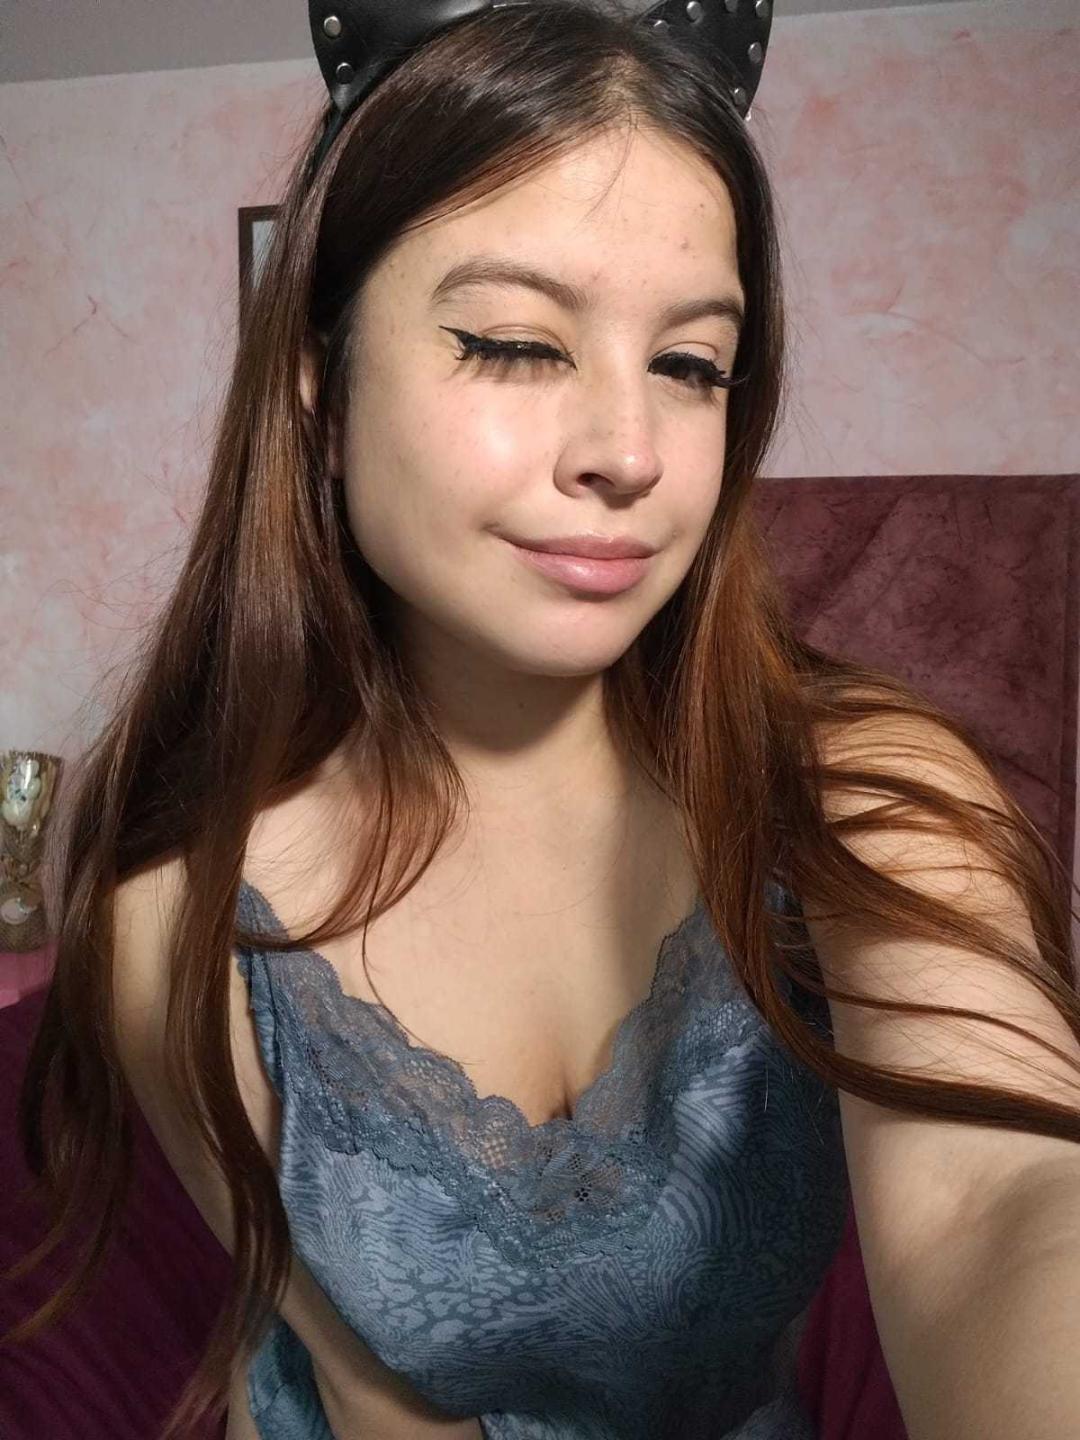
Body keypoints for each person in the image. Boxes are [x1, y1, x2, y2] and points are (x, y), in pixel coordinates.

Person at [8, 1, 1080, 1438]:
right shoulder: (183, 907)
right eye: (515, 343)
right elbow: (369, 1399)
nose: (630, 453)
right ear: (320, 386)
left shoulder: (866, 790)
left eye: (690, 365)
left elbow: (997, 1204)